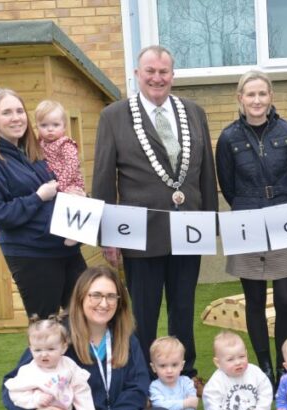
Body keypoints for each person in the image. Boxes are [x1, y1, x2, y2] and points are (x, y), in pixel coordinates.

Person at [92, 45, 218, 383]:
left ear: (172, 76)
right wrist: (108, 234)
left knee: (183, 307)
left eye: (163, 72)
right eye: (150, 71)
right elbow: (103, 178)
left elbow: (207, 171)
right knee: (144, 313)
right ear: (137, 74)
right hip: (140, 232)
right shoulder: (114, 116)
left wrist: (211, 221)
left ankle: (185, 371)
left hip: (189, 227)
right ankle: (144, 377)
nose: (157, 78)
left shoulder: (194, 112)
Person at [2, 266, 182, 410]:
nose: (103, 303)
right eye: (95, 295)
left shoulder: (125, 336)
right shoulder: (58, 337)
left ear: (119, 301)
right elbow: (9, 386)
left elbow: (138, 387)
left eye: (110, 296)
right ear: (80, 297)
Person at [215, 70, 287, 387]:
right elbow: (227, 185)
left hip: (284, 215)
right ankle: (265, 366)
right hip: (245, 218)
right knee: (254, 300)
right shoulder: (228, 138)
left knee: (284, 298)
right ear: (240, 98)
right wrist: (249, 204)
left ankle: (286, 366)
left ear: (271, 97)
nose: (256, 100)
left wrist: (278, 202)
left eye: (262, 94)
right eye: (250, 94)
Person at [0, 88, 86, 319]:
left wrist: (76, 195)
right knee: (47, 325)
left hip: (64, 249)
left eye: (20, 111)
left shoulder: (32, 156)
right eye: (6, 112)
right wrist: (37, 197)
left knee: (84, 317)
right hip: (33, 254)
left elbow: (57, 193)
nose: (16, 117)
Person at [4, 316, 128, 410]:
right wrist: (35, 401)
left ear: (63, 347)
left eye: (50, 349)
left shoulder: (68, 366)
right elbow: (14, 393)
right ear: (30, 349)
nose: (44, 354)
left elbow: (81, 389)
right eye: (37, 350)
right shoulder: (29, 371)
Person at [202, 331, 273, 410]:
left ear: (246, 353)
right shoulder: (217, 381)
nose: (238, 362)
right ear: (218, 363)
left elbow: (266, 391)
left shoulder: (255, 372)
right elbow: (211, 403)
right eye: (230, 359)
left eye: (241, 356)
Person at [34, 100, 85, 195]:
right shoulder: (40, 144)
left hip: (69, 184)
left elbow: (72, 165)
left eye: (55, 125)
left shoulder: (65, 144)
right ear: (37, 127)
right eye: (44, 125)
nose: (50, 129)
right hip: (50, 184)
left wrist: (60, 185)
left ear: (64, 127)